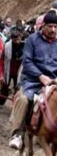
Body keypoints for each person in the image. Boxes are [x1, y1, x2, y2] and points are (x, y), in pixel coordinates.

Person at [9, 10, 57, 150]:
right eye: (50, 26)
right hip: (34, 80)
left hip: (55, 79)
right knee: (25, 99)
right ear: (43, 26)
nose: (53, 29)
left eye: (56, 26)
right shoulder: (32, 40)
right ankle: (17, 133)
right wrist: (40, 76)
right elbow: (27, 62)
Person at [0, 30, 24, 113]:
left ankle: (15, 108)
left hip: (19, 73)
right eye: (15, 39)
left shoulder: (25, 46)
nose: (17, 40)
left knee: (17, 90)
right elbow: (1, 62)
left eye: (19, 38)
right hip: (7, 71)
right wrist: (1, 75)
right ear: (12, 39)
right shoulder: (7, 46)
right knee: (4, 89)